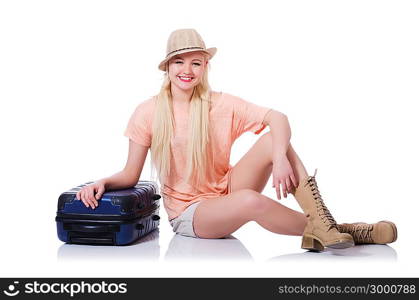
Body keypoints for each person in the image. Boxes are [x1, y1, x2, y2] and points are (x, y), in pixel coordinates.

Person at [76, 28, 397, 252]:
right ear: (168, 67)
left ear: (204, 67)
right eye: (179, 62)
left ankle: (324, 227)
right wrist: (101, 182)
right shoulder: (147, 112)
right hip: (192, 214)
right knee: (251, 201)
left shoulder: (220, 104)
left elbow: (278, 118)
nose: (187, 70)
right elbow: (131, 174)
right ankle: (343, 229)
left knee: (275, 139)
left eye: (195, 62)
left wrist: (281, 157)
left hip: (225, 188)